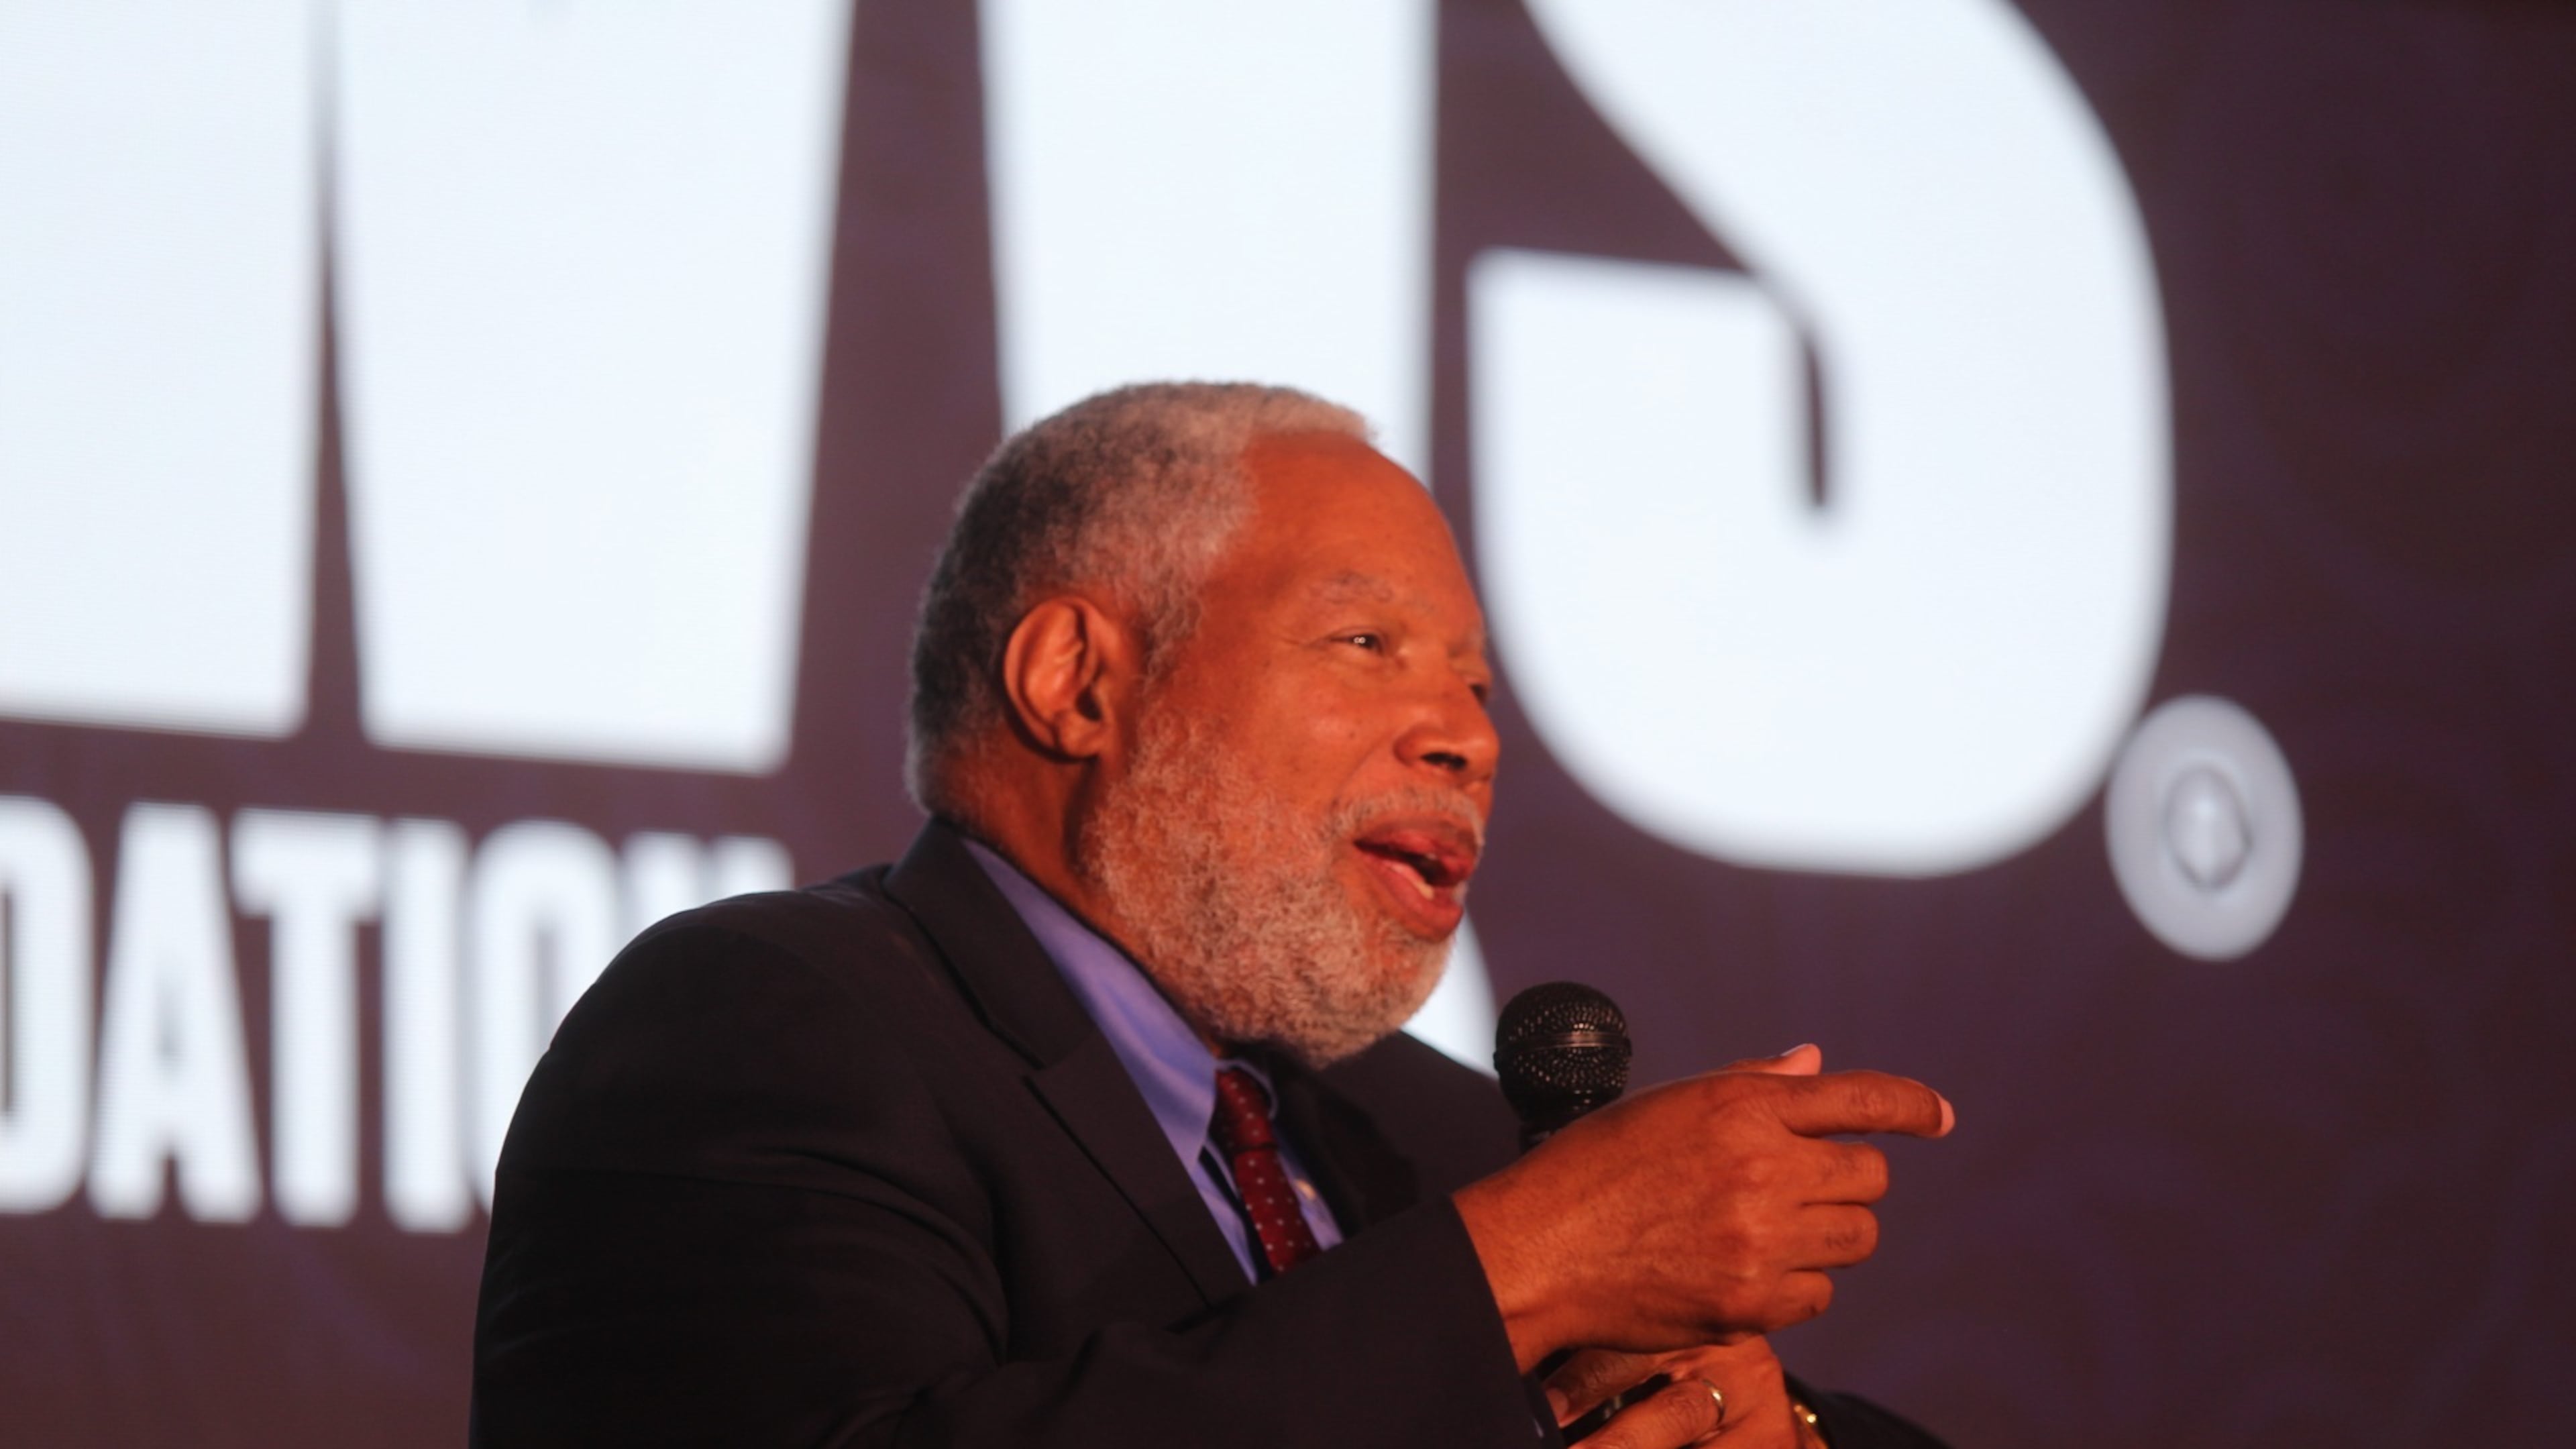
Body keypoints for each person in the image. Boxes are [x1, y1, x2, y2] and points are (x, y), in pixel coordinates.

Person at [469, 383, 1955, 1448]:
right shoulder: (763, 1022)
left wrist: (1769, 1429)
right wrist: (1524, 1269)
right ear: (1077, 680)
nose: (1467, 737)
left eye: (1478, 686)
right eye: (1367, 643)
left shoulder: (1436, 1141)